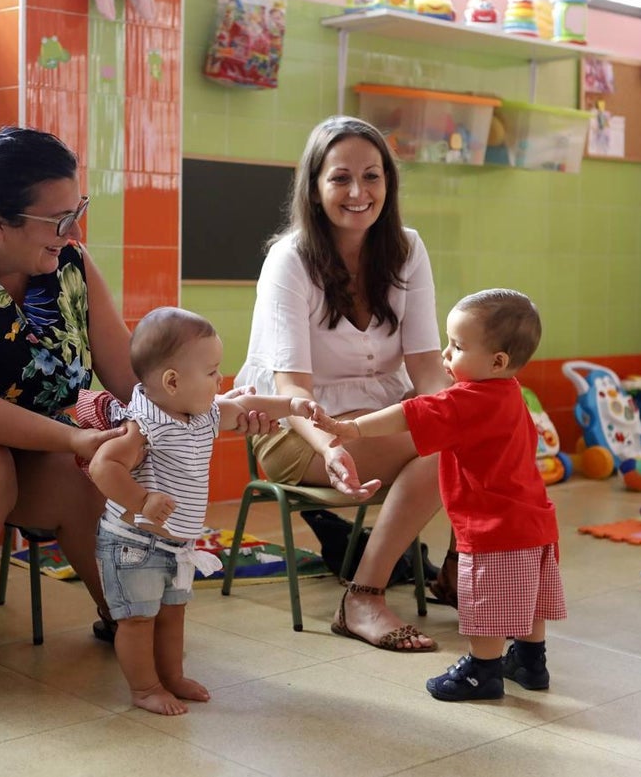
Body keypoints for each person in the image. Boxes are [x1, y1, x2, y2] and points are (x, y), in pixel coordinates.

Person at [0, 127, 272, 710]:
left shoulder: (69, 264)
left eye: (77, 211)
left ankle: (125, 615)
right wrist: (77, 435)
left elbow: (129, 378)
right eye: (60, 219)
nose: (75, 232)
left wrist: (216, 407)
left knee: (101, 463)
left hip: (33, 440)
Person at [235, 115, 455, 653]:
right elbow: (291, 388)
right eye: (339, 178)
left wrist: (462, 417)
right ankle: (362, 596)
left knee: (471, 426)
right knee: (436, 450)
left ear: (389, 182)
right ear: (314, 187)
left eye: (372, 176)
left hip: (378, 417)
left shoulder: (407, 249)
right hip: (293, 430)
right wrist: (333, 444)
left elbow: (427, 366)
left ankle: (456, 569)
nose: (358, 192)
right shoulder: (290, 259)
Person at [314, 288, 566, 701]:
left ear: (497, 361)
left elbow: (407, 416)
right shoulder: (512, 395)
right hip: (535, 521)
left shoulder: (467, 400)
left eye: (457, 346)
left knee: (485, 608)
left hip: (493, 529)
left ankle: (482, 672)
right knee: (528, 598)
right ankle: (530, 662)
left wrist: (353, 429)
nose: (446, 355)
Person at [89, 307, 322, 716]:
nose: (221, 382)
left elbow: (246, 403)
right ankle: (145, 688)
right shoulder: (144, 425)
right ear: (173, 382)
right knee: (137, 620)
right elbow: (102, 465)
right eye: (213, 372)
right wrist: (141, 500)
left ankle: (172, 677)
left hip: (176, 544)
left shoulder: (203, 414)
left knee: (173, 613)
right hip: (134, 545)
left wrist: (292, 406)